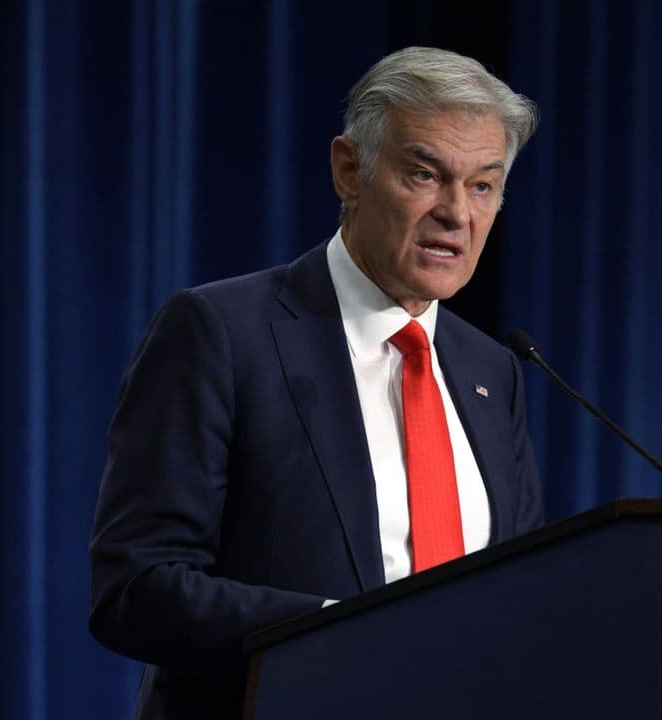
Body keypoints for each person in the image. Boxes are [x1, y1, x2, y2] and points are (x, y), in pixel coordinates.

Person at [89, 46, 543, 719]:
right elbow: (136, 588)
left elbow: (523, 598)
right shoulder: (221, 334)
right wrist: (341, 636)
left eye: (482, 186)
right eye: (425, 174)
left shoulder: (492, 371)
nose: (456, 213)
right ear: (349, 171)